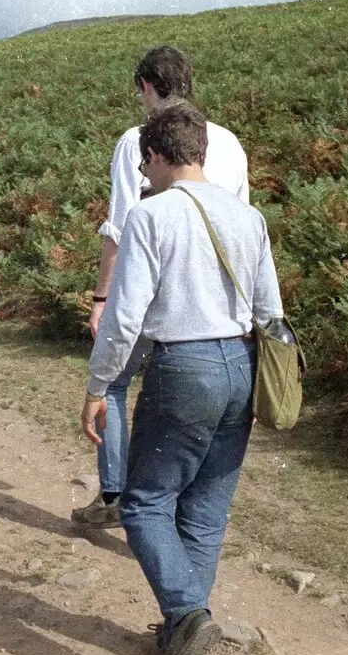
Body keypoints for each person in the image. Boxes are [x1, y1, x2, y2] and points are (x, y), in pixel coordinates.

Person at [81, 102, 283, 655]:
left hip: (182, 366)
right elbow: (271, 311)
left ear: (157, 155)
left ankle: (188, 613)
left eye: (146, 164)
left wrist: (100, 385)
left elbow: (124, 319)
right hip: (241, 363)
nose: (145, 175)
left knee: (144, 502)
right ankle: (181, 625)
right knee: (206, 507)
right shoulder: (249, 218)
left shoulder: (151, 216)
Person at [75, 45, 250, 529]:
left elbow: (121, 227)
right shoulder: (230, 143)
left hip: (149, 289)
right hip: (214, 299)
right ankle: (174, 502)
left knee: (112, 383)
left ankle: (114, 492)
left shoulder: (136, 141)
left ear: (148, 86)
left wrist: (102, 298)